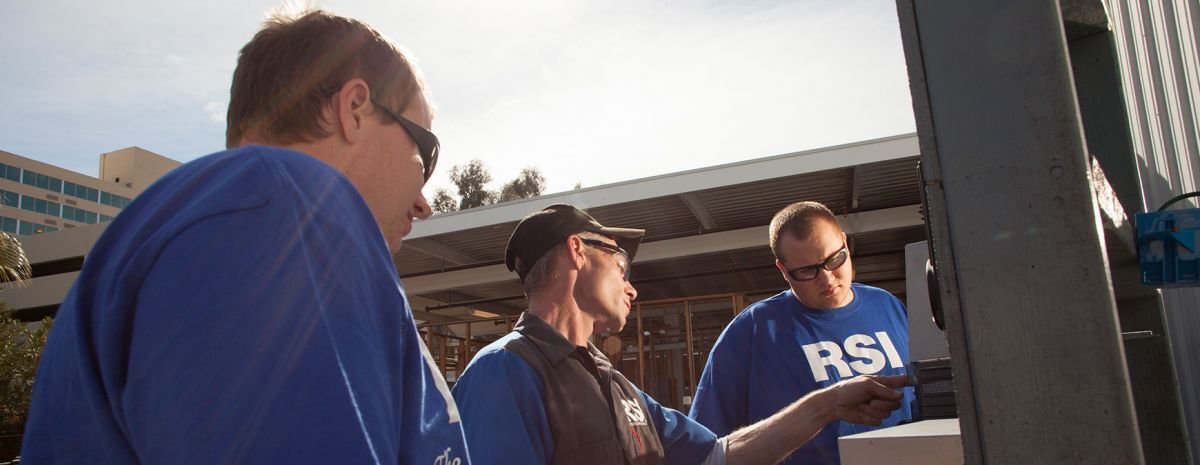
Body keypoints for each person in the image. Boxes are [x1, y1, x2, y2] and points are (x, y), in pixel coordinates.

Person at [21, 10, 469, 465]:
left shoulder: (238, 216)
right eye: (424, 152)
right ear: (354, 109)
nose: (423, 203)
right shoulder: (283, 210)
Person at [451, 204, 908, 465]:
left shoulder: (614, 384)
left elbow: (719, 456)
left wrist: (827, 404)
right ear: (577, 251)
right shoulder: (504, 372)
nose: (630, 285)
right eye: (620, 263)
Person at [689, 201, 915, 465]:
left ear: (844, 241)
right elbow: (707, 447)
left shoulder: (888, 306)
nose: (827, 278)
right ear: (783, 270)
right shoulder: (751, 332)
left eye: (834, 259)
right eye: (808, 270)